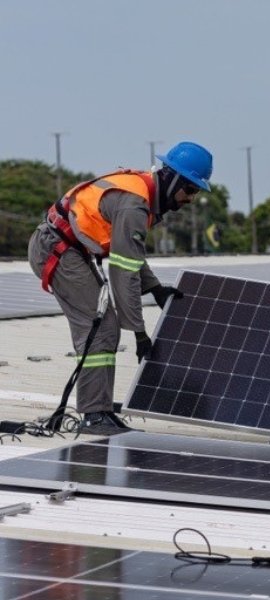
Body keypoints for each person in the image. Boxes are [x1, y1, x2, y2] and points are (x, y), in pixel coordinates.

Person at [28, 141, 212, 435]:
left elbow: (130, 254)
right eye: (189, 189)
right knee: (100, 328)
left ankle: (98, 411)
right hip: (55, 250)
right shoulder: (135, 203)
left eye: (196, 192)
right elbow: (123, 274)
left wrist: (155, 289)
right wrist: (139, 333)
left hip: (68, 249)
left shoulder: (143, 196)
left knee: (104, 327)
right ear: (171, 179)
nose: (191, 198)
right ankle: (93, 416)